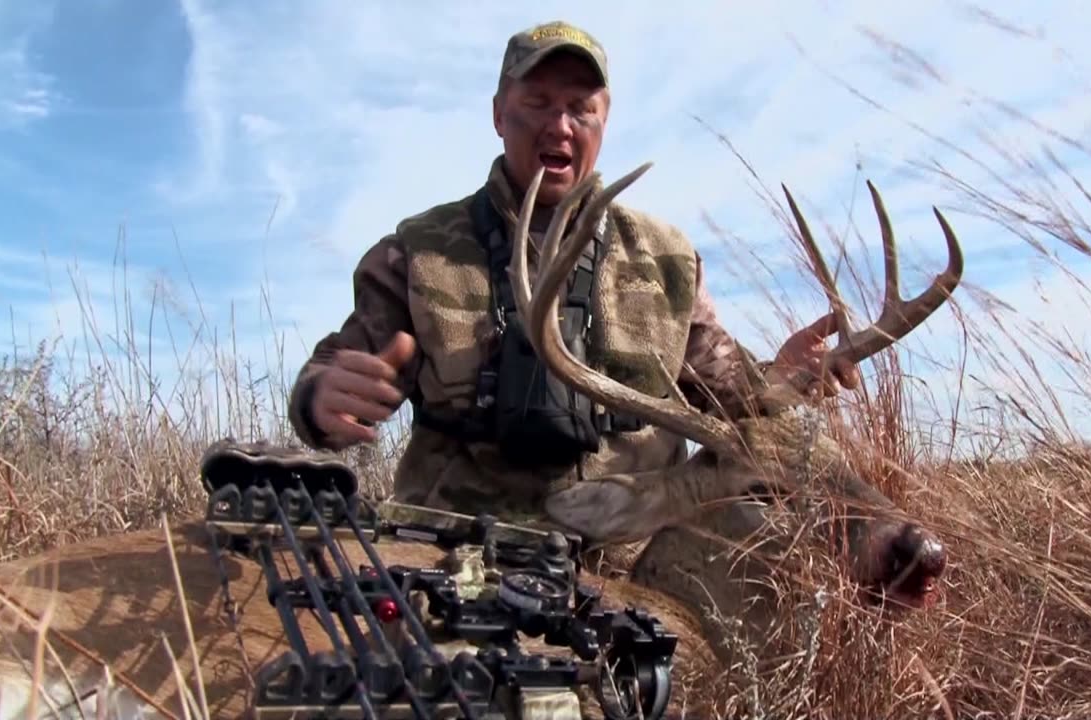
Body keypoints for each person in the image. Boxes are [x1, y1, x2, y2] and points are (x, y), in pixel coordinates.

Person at [286, 19, 860, 547]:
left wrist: (779, 379)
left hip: (633, 564)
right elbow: (337, 380)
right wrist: (320, 399)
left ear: (603, 122)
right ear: (497, 114)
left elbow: (730, 395)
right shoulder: (419, 250)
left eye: (580, 108)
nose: (559, 125)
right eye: (536, 102)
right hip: (454, 558)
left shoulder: (667, 259)